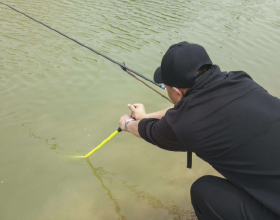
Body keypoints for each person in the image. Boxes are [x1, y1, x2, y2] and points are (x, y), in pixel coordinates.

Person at [119, 41, 280, 219]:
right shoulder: (240, 79)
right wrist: (147, 115)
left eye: (165, 87)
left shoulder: (187, 125)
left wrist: (126, 124)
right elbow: (187, 110)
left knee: (203, 191)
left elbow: (150, 131)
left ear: (177, 91)